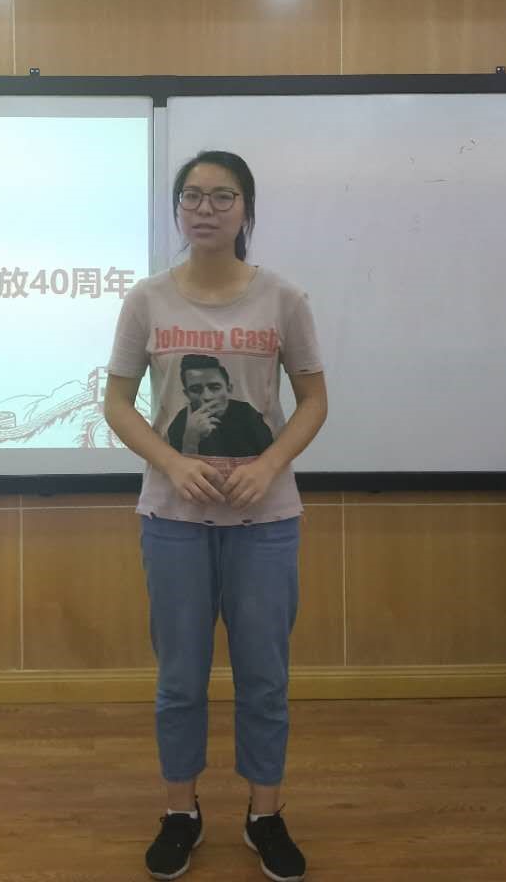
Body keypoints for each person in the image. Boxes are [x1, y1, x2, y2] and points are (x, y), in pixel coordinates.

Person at [104, 149, 328, 882]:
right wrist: (172, 462)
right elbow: (117, 402)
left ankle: (266, 815)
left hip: (266, 521)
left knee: (265, 677)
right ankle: (181, 812)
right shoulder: (147, 300)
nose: (205, 209)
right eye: (192, 196)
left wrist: (269, 464)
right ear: (177, 209)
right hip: (173, 519)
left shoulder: (284, 298)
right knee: (180, 678)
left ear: (245, 209)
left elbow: (313, 399)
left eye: (222, 196)